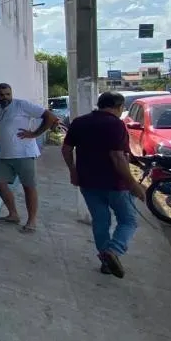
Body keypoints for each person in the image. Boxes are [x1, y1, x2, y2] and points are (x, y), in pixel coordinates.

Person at [61, 91, 146, 278]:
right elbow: (117, 157)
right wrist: (133, 183)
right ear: (119, 107)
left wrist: (73, 170)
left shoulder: (79, 122)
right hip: (115, 183)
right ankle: (113, 251)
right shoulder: (116, 124)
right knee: (128, 220)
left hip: (88, 181)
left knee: (101, 222)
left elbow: (66, 149)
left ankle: (106, 263)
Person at [0, 83, 59, 233]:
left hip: (24, 153)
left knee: (28, 187)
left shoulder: (22, 105)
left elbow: (50, 117)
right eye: (0, 95)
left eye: (7, 94)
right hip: (4, 155)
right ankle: (13, 214)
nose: (4, 97)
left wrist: (35, 134)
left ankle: (31, 221)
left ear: (11, 93)